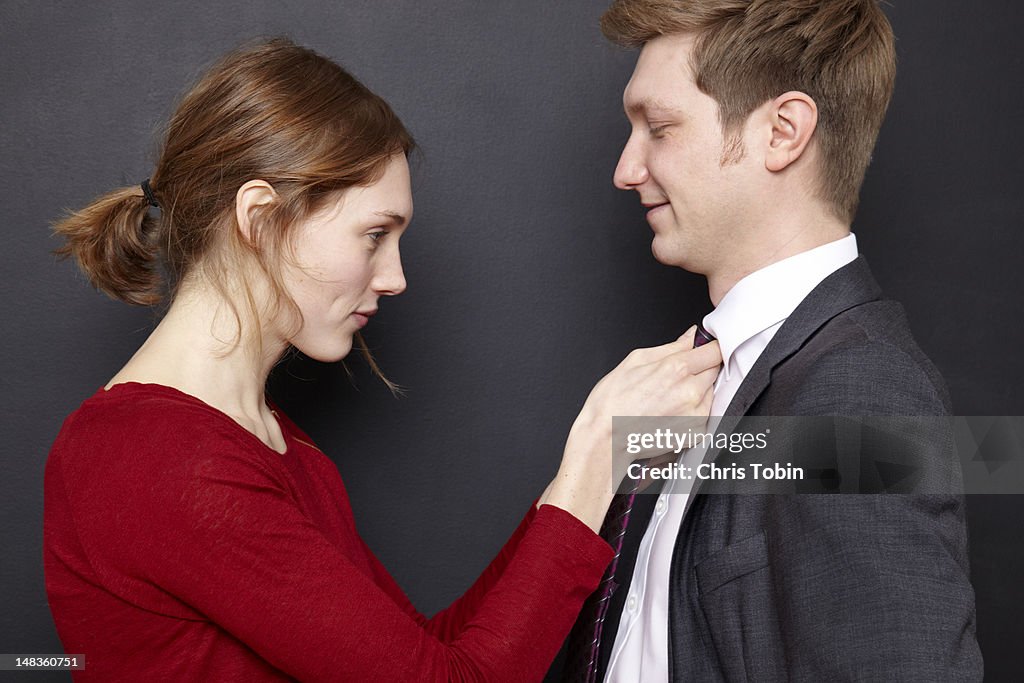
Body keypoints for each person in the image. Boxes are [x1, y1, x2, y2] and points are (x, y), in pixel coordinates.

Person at [43, 38, 723, 682]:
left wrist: (590, 471)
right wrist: (595, 459)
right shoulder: (160, 456)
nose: (394, 276)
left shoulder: (273, 447)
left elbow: (436, 655)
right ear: (259, 218)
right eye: (373, 234)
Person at [564, 1, 983, 681]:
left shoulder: (857, 391)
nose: (626, 168)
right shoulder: (708, 370)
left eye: (660, 129)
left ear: (782, 132)